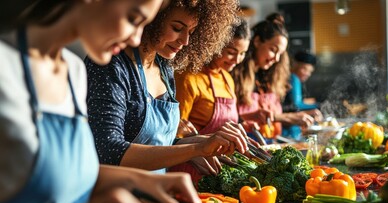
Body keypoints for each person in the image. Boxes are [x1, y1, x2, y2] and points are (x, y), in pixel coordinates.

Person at [0, 1, 202, 203]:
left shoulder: (73, 71)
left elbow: (66, 175)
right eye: (133, 19)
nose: (136, 39)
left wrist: (141, 180)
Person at [85, 0, 246, 176]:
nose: (185, 41)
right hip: (113, 196)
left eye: (191, 32)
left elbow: (156, 144)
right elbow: (109, 151)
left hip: (155, 194)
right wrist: (195, 149)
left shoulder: (164, 68)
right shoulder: (110, 66)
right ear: (151, 19)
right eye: (177, 28)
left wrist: (200, 144)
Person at [172, 18, 267, 183]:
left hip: (221, 171)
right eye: (231, 51)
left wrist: (243, 127)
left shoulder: (227, 78)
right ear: (215, 44)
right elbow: (175, 130)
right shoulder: (188, 77)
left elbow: (224, 124)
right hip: (190, 170)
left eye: (243, 53)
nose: (237, 60)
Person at [231, 19, 315, 142]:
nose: (276, 59)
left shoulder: (269, 77)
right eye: (273, 50)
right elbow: (229, 118)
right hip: (244, 145)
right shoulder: (235, 74)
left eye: (280, 54)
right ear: (257, 41)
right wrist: (285, 117)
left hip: (268, 142)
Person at [282, 51, 323, 140]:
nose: (307, 74)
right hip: (289, 131)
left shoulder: (289, 78)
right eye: (304, 69)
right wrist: (319, 105)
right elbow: (296, 105)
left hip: (289, 128)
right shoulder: (293, 78)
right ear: (295, 65)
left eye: (310, 71)